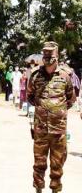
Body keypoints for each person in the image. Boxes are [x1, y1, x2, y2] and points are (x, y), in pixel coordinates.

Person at [27, 41, 75, 193]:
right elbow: (30, 96)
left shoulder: (65, 76)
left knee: (57, 164)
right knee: (39, 164)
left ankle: (55, 190)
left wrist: (57, 112)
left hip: (58, 131)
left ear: (57, 55)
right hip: (40, 130)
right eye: (45, 54)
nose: (47, 57)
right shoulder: (35, 75)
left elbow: (70, 98)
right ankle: (38, 190)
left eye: (50, 54)